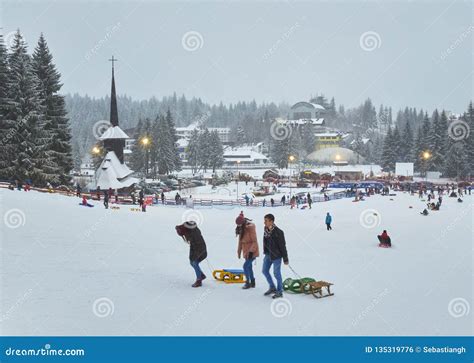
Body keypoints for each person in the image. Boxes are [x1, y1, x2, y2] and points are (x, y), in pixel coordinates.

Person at [262, 214, 289, 299]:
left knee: (276, 273)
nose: (264, 222)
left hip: (276, 256)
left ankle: (280, 291)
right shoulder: (266, 230)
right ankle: (272, 287)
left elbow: (282, 246)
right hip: (268, 255)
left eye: (266, 220)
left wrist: (285, 258)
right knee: (264, 271)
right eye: (264, 220)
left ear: (271, 221)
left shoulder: (279, 232)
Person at [175, 221, 208, 287]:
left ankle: (199, 280)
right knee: (192, 262)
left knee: (194, 262)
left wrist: (193, 255)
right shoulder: (189, 229)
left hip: (199, 248)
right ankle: (201, 275)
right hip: (197, 248)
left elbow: (196, 244)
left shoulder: (192, 233)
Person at [236, 212, 259, 289]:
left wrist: (251, 252)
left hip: (252, 251)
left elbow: (255, 241)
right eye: (237, 225)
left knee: (245, 266)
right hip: (246, 251)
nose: (238, 226)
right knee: (249, 267)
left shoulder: (250, 228)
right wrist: (239, 252)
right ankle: (252, 282)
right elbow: (240, 242)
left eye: (239, 225)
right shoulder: (241, 228)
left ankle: (247, 282)